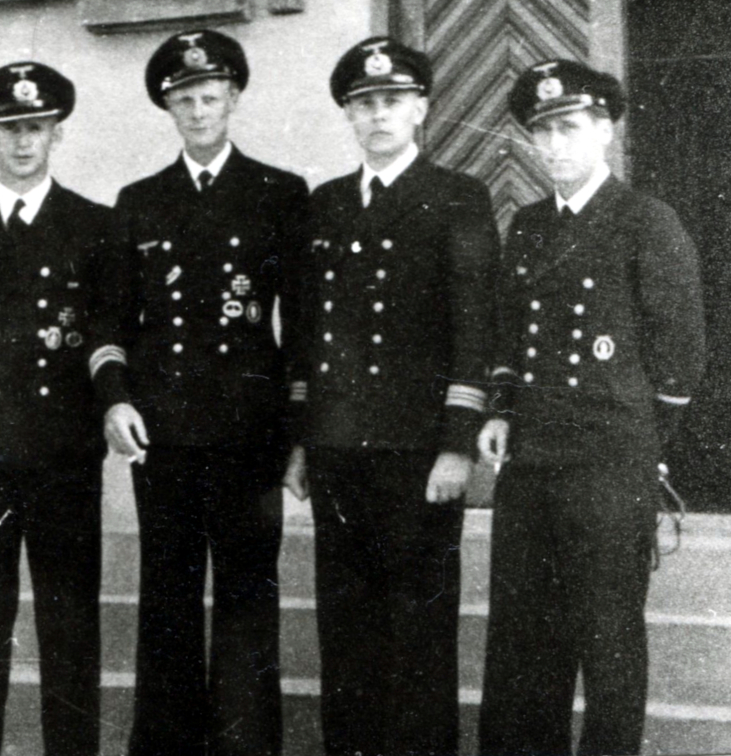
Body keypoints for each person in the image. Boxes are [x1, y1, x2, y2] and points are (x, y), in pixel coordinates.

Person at [477, 59, 706, 756]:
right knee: (522, 642)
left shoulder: (646, 221)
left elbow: (680, 359)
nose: (554, 147)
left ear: (604, 130)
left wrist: (632, 442)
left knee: (608, 645)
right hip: (532, 463)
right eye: (542, 133)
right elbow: (510, 335)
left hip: (609, 467)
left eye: (569, 129)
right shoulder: (528, 227)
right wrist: (499, 409)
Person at [91, 29, 309, 756]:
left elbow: (303, 324)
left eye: (210, 96)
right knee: (169, 598)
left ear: (234, 99)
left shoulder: (279, 194)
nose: (198, 109)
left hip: (251, 430)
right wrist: (116, 398)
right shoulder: (139, 201)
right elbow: (111, 320)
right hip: (167, 432)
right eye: (183, 99)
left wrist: (300, 430)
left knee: (249, 598)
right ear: (168, 107)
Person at [295, 36, 499, 756]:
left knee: (419, 629)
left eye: (391, 101)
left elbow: (475, 330)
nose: (378, 115)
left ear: (421, 108)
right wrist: (299, 436)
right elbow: (307, 331)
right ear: (349, 116)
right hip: (338, 447)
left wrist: (456, 446)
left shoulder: (458, 197)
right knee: (344, 628)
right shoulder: (322, 205)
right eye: (363, 104)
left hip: (419, 453)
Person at [0, 62, 111, 756]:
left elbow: (106, 333)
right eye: (10, 129)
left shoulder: (94, 227)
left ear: (56, 132)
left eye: (36, 127)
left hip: (65, 462)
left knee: (70, 635)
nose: (24, 141)